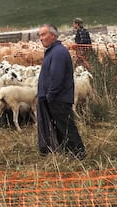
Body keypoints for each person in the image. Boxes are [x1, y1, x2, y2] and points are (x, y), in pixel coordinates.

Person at [37, 24, 86, 159]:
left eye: (43, 34)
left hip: (59, 98)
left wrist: (50, 95)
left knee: (65, 125)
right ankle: (68, 151)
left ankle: (78, 152)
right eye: (39, 35)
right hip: (56, 97)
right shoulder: (53, 51)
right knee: (60, 126)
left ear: (53, 35)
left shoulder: (58, 52)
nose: (40, 38)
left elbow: (56, 76)